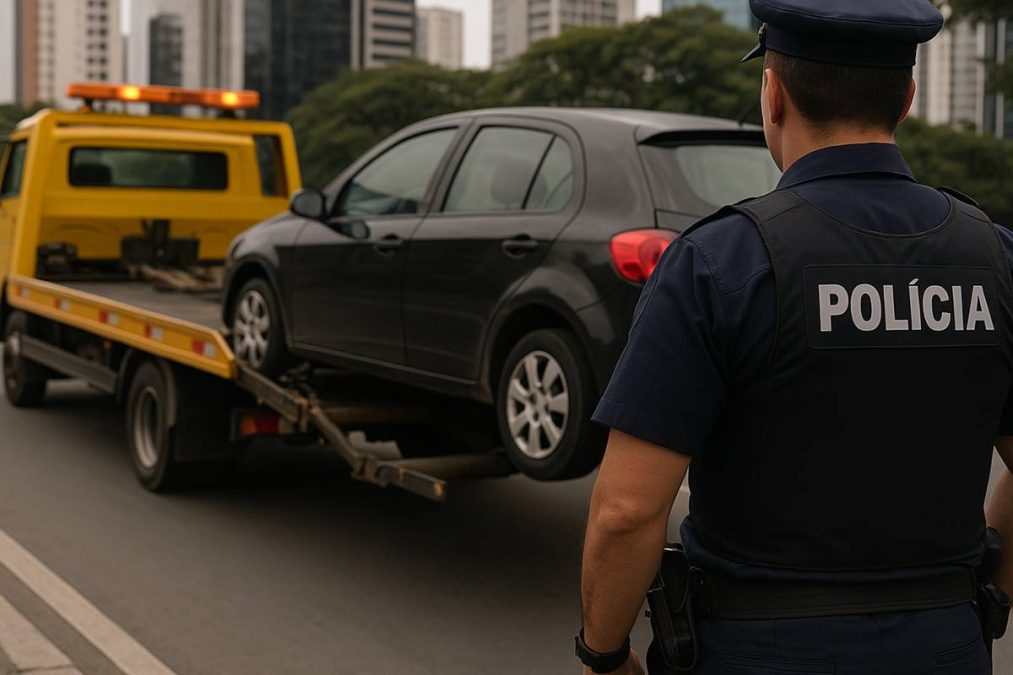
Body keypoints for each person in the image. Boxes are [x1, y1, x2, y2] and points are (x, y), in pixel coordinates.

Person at [576, 1, 1013, 673]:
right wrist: (987, 596)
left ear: (772, 95)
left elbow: (628, 510)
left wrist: (602, 656)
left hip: (758, 649)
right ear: (905, 99)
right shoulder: (994, 257)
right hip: (947, 645)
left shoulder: (718, 261)